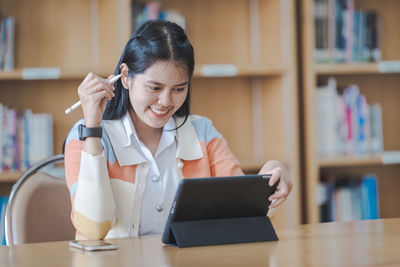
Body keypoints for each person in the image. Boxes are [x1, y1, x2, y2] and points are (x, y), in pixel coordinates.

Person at [65, 20, 293, 240]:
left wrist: (270, 179)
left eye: (178, 88)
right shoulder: (84, 135)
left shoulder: (202, 131)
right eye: (155, 87)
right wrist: (93, 126)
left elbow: (243, 215)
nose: (165, 101)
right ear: (125, 76)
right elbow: (94, 229)